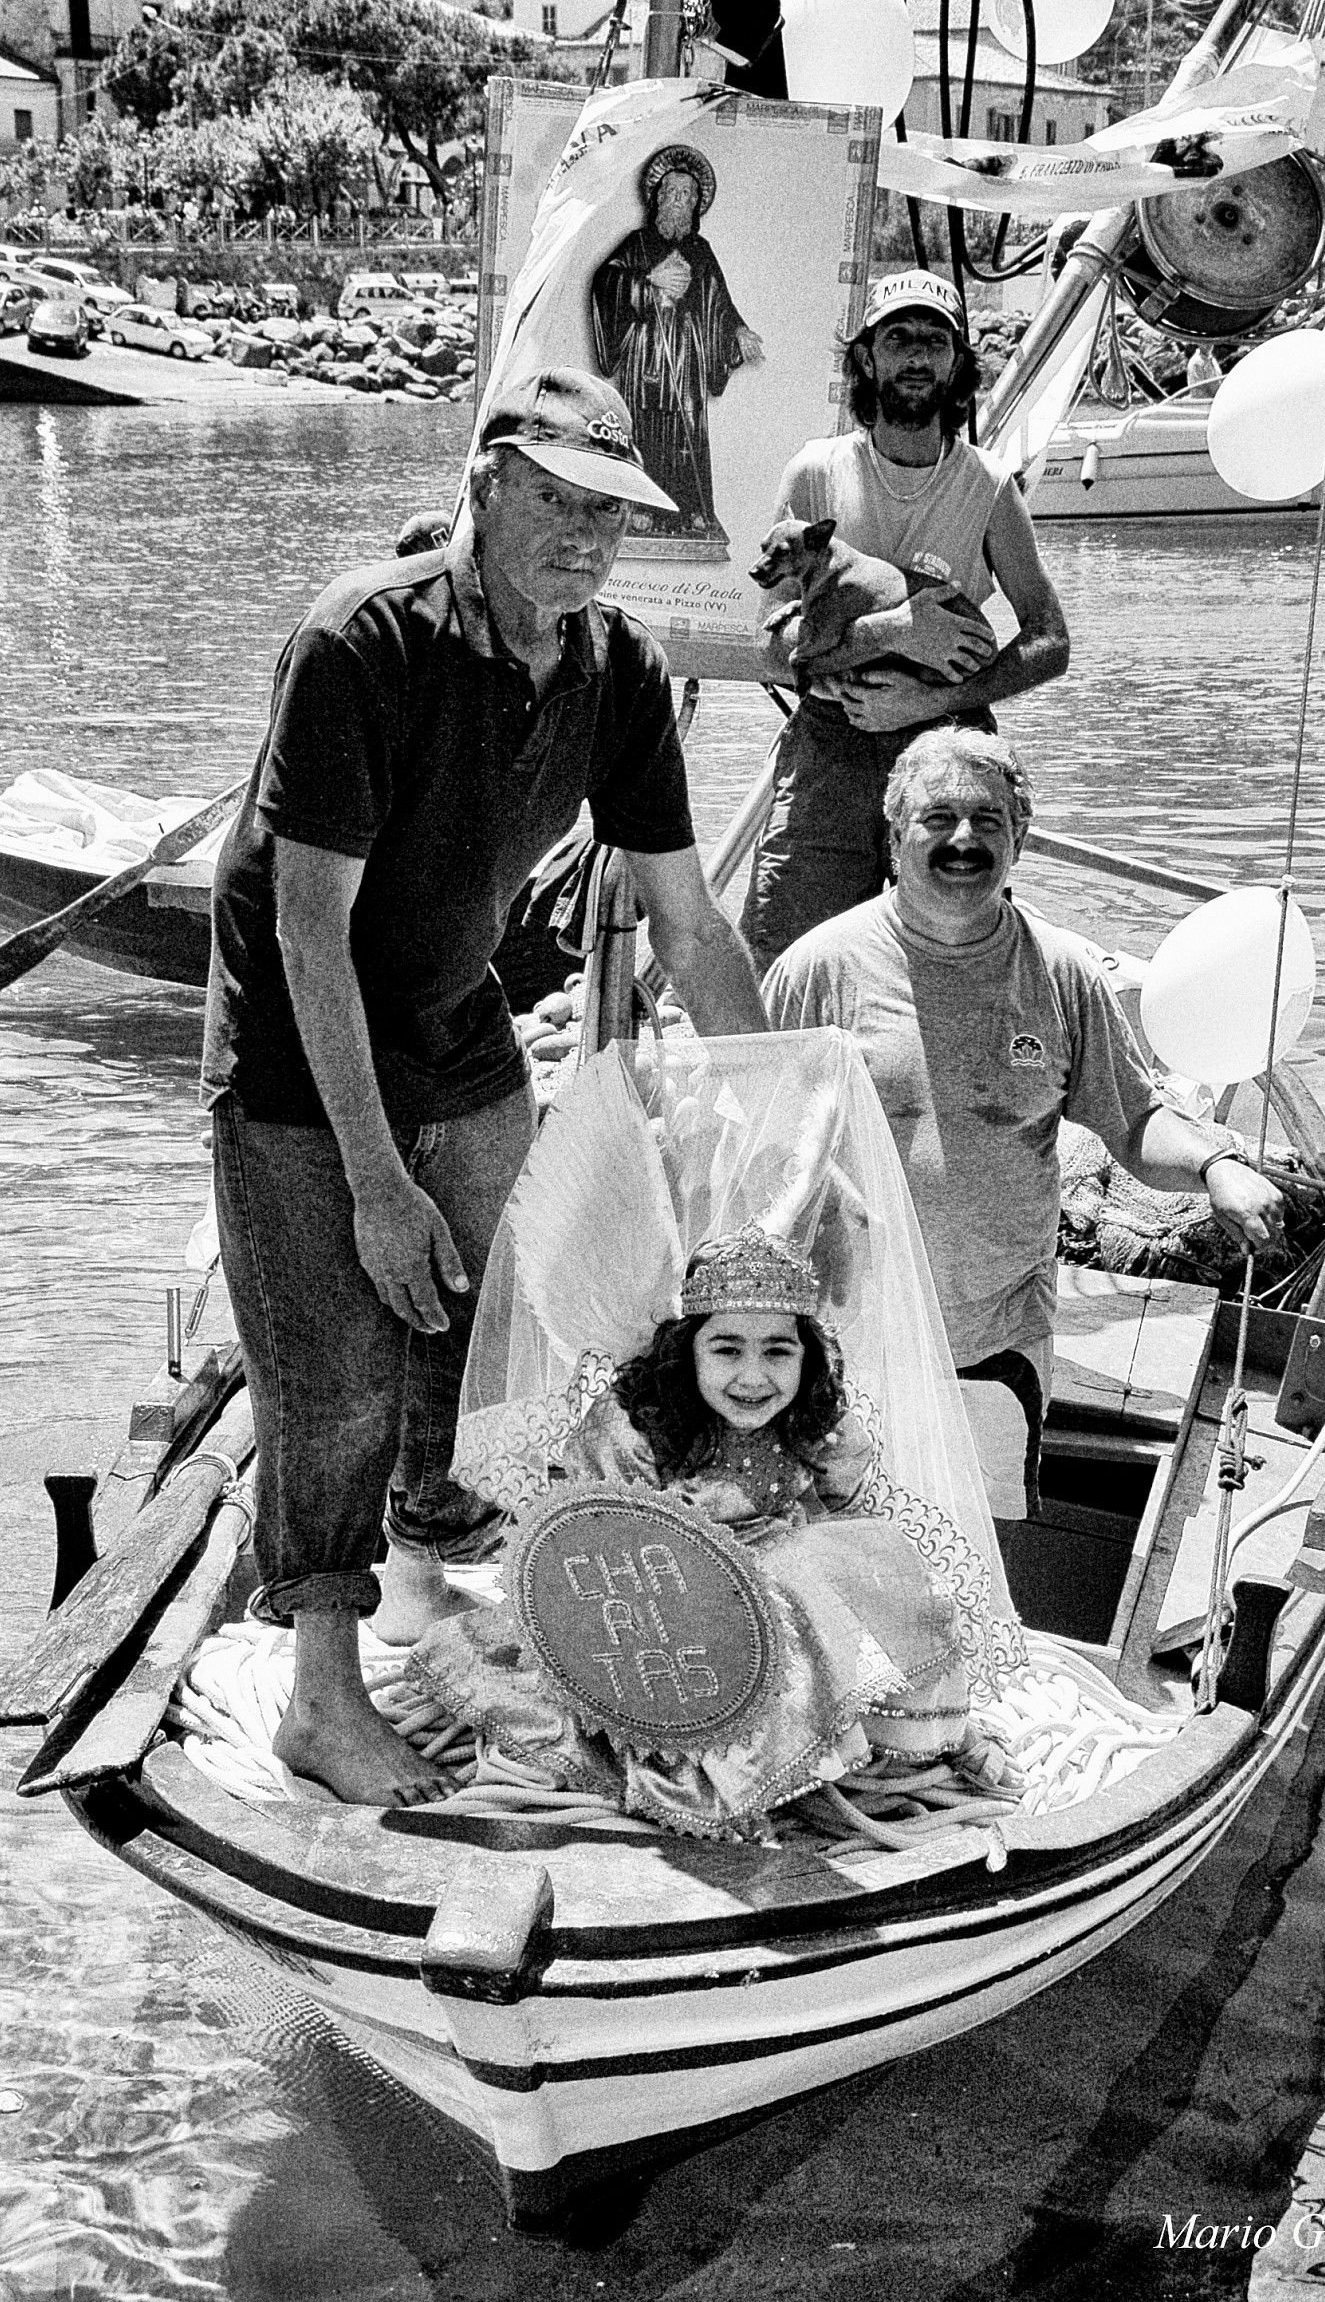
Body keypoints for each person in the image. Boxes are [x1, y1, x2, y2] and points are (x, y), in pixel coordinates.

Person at [200, 365, 769, 1805]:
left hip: (456, 1021)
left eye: (610, 514)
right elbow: (306, 929)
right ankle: (323, 1701)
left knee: (505, 1315)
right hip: (297, 1047)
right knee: (328, 1371)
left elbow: (688, 924)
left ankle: (422, 1563)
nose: (584, 538)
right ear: (483, 487)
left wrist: (769, 1105)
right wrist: (378, 1182)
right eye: (557, 502)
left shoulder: (613, 668)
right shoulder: (358, 644)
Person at [763, 725, 1286, 1507]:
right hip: (838, 1340)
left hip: (994, 1339)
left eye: (988, 820)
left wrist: (1216, 1167)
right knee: (824, 1556)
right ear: (895, 832)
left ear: (1020, 837)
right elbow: (754, 1144)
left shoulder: (1062, 969)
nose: (963, 839)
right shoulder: (817, 968)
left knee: (975, 1565)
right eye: (937, 818)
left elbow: (1135, 1122)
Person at [409, 1225, 1000, 1838]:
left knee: (878, 1559)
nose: (753, 1376)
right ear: (687, 1350)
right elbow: (592, 1550)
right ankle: (707, 1773)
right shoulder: (633, 1424)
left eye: (778, 1351)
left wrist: (844, 1507)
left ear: (808, 1356)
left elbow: (838, 1524)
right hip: (658, 1608)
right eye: (726, 1349)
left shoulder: (819, 1425)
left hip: (784, 1604)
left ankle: (931, 1735)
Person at [740, 268, 1070, 971]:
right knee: (785, 954)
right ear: (866, 357)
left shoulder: (987, 487)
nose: (916, 356)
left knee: (956, 959)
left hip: (946, 745)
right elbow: (769, 650)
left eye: (933, 340)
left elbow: (1049, 641)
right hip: (831, 743)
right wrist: (891, 631)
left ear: (957, 364)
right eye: (897, 338)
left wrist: (938, 698)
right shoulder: (815, 475)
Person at [590, 143, 764, 543]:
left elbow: (719, 303)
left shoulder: (700, 251)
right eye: (673, 193)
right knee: (646, 427)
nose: (679, 201)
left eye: (688, 195)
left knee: (686, 428)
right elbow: (605, 282)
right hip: (645, 349)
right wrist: (647, 282)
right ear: (659, 198)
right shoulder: (635, 243)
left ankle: (692, 509)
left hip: (686, 355)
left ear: (696, 205)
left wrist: (738, 332)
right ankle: (644, 508)